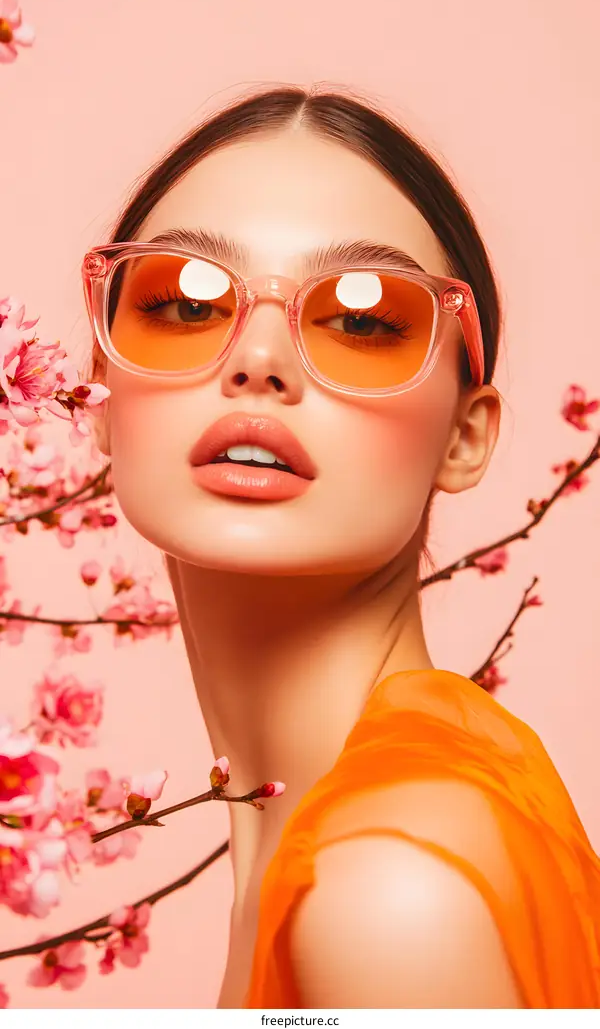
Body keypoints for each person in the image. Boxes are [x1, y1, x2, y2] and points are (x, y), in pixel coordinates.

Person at [81, 85, 600, 1009]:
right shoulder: (388, 825)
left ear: (464, 436)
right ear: (98, 396)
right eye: (185, 302)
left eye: (363, 321)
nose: (259, 360)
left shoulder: (388, 891)